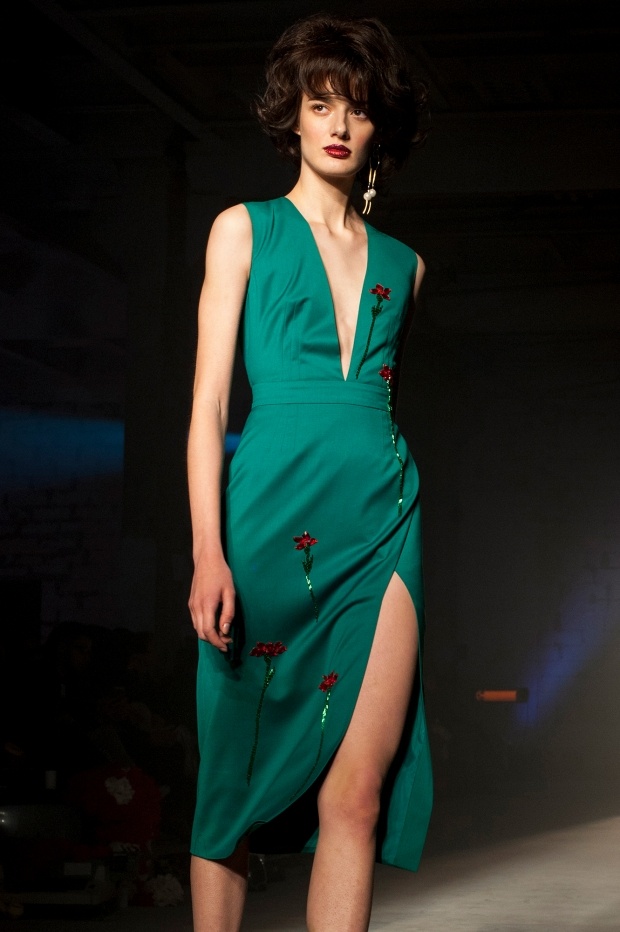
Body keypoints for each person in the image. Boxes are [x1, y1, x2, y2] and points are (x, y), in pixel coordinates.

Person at [187, 13, 432, 931]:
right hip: (265, 525)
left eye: (356, 108)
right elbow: (209, 407)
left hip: (383, 522)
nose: (337, 123)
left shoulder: (407, 268)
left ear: (378, 129)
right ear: (290, 114)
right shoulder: (242, 231)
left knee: (356, 794)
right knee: (234, 783)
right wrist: (207, 553)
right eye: (320, 103)